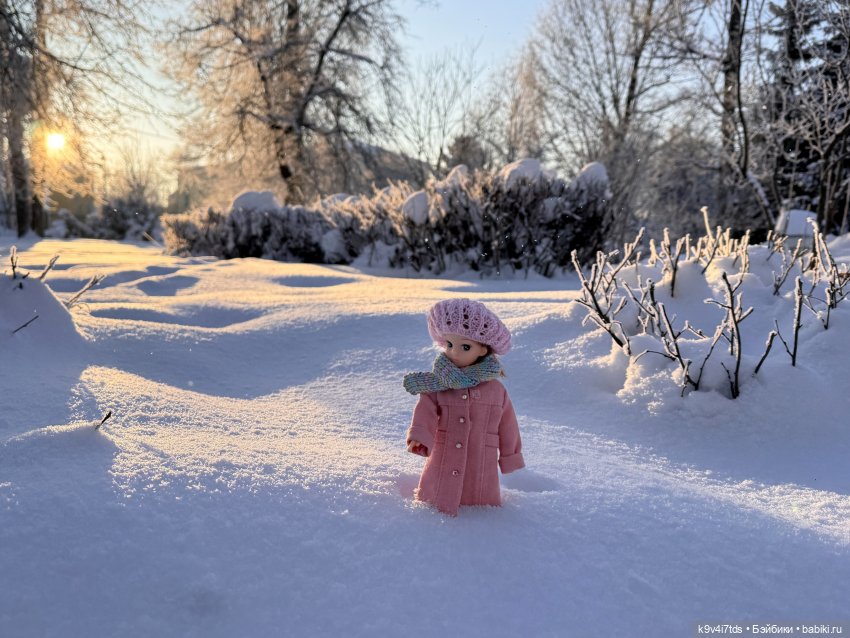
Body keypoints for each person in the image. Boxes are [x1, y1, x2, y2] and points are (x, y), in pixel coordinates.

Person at [403, 298, 524, 516]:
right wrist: (420, 437)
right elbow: (425, 410)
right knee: (436, 494)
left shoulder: (495, 390)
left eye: (465, 346)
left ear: (482, 350)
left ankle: (480, 518)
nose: (454, 352)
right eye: (449, 344)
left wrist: (510, 455)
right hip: (443, 455)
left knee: (480, 506)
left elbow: (508, 424)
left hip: (481, 462)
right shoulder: (437, 385)